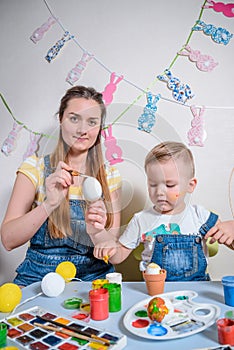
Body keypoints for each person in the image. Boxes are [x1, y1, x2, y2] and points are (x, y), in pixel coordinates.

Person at [0, 86, 121, 286]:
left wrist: (98, 231)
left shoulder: (109, 177)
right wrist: (50, 204)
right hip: (37, 277)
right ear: (60, 119)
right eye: (74, 118)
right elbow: (8, 240)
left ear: (100, 128)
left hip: (92, 278)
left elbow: (111, 250)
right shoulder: (35, 168)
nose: (82, 130)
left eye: (92, 122)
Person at [93, 141, 222, 281]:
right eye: (153, 184)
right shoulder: (141, 219)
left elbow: (226, 235)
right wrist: (108, 244)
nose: (160, 192)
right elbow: (117, 257)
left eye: (169, 185)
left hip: (197, 289)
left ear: (190, 185)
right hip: (156, 292)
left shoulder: (199, 215)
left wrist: (230, 228)